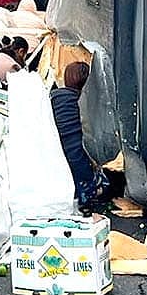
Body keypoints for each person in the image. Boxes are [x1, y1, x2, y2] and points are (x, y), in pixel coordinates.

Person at [50, 61, 111, 212]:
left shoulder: (52, 98)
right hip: (79, 163)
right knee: (103, 184)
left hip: (53, 159)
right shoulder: (88, 103)